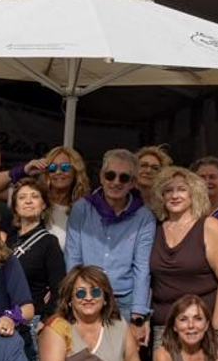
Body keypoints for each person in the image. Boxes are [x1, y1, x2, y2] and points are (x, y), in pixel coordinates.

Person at [65, 148, 155, 347]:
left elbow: (142, 267)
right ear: (101, 177)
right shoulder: (82, 208)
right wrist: (74, 297)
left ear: (132, 183)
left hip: (124, 299)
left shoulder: (144, 217)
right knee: (84, 358)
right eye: (110, 175)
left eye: (124, 178)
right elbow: (73, 258)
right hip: (85, 297)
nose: (116, 182)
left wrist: (138, 316)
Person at [148, 166, 218, 343]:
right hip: (164, 328)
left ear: (193, 193)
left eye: (181, 189)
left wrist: (216, 330)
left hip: (203, 327)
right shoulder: (154, 228)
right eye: (168, 190)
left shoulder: (209, 226)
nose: (174, 195)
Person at [5, 179, 66, 320]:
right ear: (15, 206)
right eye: (22, 197)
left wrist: (46, 320)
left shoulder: (49, 242)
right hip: (4, 315)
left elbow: (59, 288)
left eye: (34, 196)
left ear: (44, 205)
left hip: (34, 318)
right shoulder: (8, 241)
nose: (28, 201)